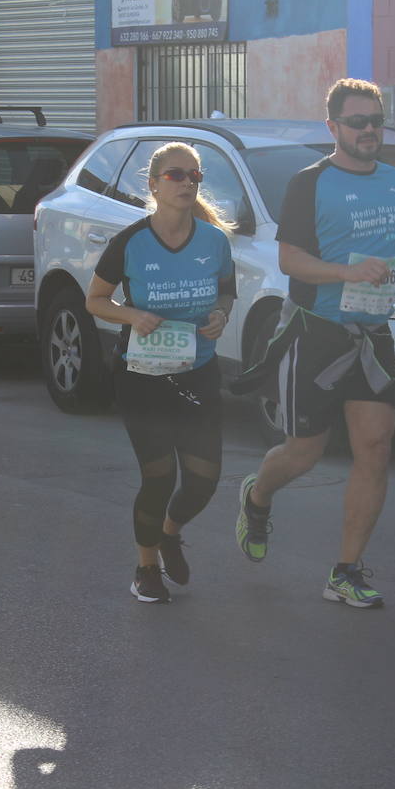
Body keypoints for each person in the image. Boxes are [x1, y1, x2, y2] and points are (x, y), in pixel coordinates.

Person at [230, 78, 395, 608]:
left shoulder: (393, 179)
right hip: (315, 332)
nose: (370, 130)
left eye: (376, 121)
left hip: (372, 330)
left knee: (375, 448)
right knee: (304, 453)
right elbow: (289, 259)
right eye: (358, 122)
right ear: (334, 128)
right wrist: (343, 271)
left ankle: (345, 571)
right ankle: (257, 497)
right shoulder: (310, 183)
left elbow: (386, 239)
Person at [86, 142, 235, 604]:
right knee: (158, 476)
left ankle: (169, 533)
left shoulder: (214, 241)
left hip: (198, 372)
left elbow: (226, 295)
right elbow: (95, 300)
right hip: (141, 376)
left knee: (204, 479)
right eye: (176, 175)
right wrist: (133, 318)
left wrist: (220, 316)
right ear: (153, 184)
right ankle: (145, 566)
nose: (187, 182)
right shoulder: (130, 242)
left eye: (194, 176)